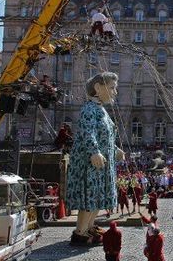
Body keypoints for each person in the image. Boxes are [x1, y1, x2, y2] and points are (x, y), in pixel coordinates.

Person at [66, 72, 125, 245]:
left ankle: (90, 226)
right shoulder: (89, 109)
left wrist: (115, 149)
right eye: (112, 88)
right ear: (98, 88)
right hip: (89, 163)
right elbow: (87, 132)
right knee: (89, 196)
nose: (115, 92)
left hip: (101, 163)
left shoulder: (101, 110)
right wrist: (94, 152)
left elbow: (105, 136)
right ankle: (80, 232)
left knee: (98, 196)